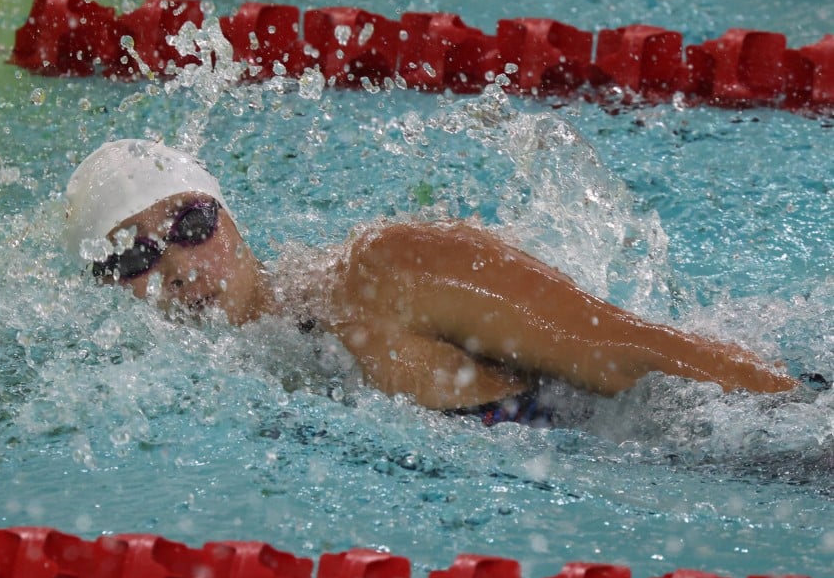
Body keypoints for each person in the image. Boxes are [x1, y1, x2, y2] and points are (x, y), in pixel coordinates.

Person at [64, 139, 800, 424]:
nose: (182, 265)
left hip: (731, 442)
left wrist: (797, 418)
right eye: (135, 258)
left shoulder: (388, 272)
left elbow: (636, 347)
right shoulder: (218, 374)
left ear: (231, 216)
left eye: (192, 225)